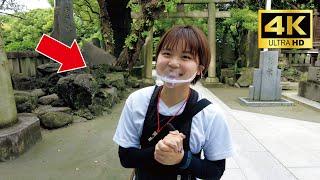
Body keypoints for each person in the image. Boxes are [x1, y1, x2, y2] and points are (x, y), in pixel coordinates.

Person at [113, 25, 234, 180]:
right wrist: (157, 151)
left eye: (185, 57)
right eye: (167, 53)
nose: (173, 63)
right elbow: (126, 157)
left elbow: (215, 170)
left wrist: (182, 159)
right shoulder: (137, 101)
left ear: (200, 69)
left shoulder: (210, 114)